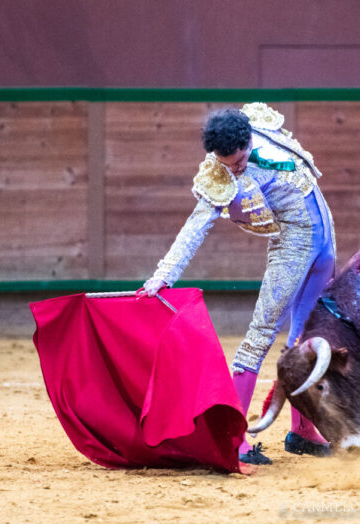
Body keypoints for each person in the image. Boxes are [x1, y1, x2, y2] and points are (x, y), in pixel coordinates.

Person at [142, 103, 336, 465]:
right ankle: (233, 437)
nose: (235, 167)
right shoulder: (220, 174)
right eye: (227, 162)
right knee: (260, 335)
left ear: (248, 140)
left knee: (308, 336)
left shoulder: (261, 127)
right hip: (292, 247)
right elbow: (196, 226)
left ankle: (303, 430)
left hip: (324, 244)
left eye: (240, 158)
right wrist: (164, 274)